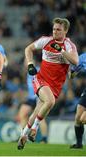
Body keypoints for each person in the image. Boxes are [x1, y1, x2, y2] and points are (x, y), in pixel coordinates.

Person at [17, 17, 79, 150]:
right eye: (54, 29)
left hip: (55, 86)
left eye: (59, 30)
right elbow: (28, 49)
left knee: (36, 111)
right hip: (41, 79)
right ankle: (34, 129)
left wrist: (61, 51)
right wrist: (30, 64)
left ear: (66, 31)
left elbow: (75, 61)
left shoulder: (69, 46)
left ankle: (23, 135)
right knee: (50, 101)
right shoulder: (46, 40)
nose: (55, 32)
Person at [17, 60, 48, 143]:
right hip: (31, 97)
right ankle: (23, 135)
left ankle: (44, 139)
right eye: (24, 62)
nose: (24, 64)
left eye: (26, 62)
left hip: (39, 97)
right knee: (22, 113)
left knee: (40, 117)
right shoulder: (27, 73)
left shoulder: (38, 69)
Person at [70, 52, 86, 149]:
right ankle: (79, 144)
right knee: (78, 117)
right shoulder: (83, 57)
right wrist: (73, 72)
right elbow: (72, 73)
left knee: (83, 119)